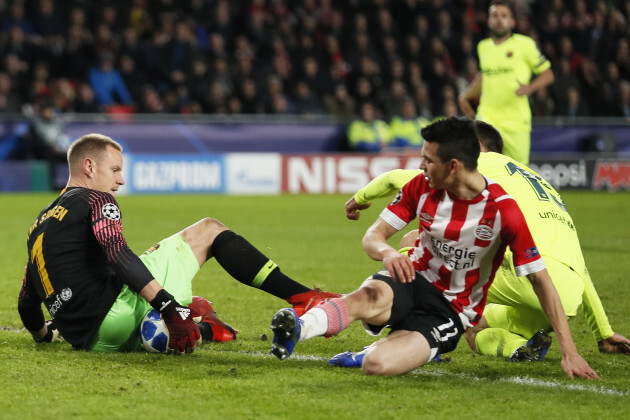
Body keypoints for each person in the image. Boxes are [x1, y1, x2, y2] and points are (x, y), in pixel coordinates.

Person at [269, 117, 598, 379]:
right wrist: (387, 253)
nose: (421, 166)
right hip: (414, 281)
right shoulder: (422, 187)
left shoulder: (503, 211)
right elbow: (373, 236)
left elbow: (540, 278)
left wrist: (569, 351)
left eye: (427, 159)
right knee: (368, 295)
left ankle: (375, 352)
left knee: (378, 366)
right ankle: (298, 327)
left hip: (452, 308)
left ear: (453, 165)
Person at [340, 120, 630, 365]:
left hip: (531, 279)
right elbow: (579, 267)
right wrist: (603, 332)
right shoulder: (540, 182)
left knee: (415, 239)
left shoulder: (480, 168)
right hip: (565, 297)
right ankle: (517, 347)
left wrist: (358, 200)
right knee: (475, 330)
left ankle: (410, 331)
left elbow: (394, 177)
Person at [17, 133, 338, 353]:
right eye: (115, 170)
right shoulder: (96, 199)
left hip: (91, 341)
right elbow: (116, 252)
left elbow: (26, 302)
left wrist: (44, 335)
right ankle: (305, 297)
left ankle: (203, 326)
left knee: (184, 303)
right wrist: (169, 307)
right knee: (209, 230)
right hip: (115, 313)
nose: (120, 180)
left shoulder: (37, 227)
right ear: (89, 167)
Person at [458, 0, 554, 165]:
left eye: (504, 16)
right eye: (495, 15)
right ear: (489, 21)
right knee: (480, 166)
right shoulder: (483, 47)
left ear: (512, 21)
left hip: (516, 121)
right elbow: (486, 76)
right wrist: (465, 96)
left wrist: (530, 87)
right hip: (488, 116)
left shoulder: (525, 45)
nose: (499, 19)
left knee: (518, 172)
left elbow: (548, 74)